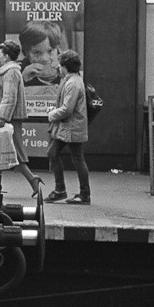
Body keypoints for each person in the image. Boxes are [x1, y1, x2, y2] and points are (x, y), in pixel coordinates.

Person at [0, 40, 43, 197]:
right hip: (10, 117)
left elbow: (9, 97)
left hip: (10, 118)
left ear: (6, 56)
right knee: (3, 149)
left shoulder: (10, 72)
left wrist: (2, 117)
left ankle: (32, 179)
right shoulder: (9, 71)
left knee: (13, 152)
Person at [45, 50, 91, 205]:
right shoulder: (73, 80)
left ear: (65, 66)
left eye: (60, 65)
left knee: (75, 158)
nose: (58, 68)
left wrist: (52, 114)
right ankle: (64, 190)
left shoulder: (72, 83)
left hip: (71, 127)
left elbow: (67, 109)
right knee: (56, 154)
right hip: (69, 127)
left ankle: (79, 193)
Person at [19, 20, 65, 86]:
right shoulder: (18, 71)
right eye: (37, 52)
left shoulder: (66, 68)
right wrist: (22, 80)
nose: (45, 59)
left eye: (50, 51)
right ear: (26, 53)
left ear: (58, 50)